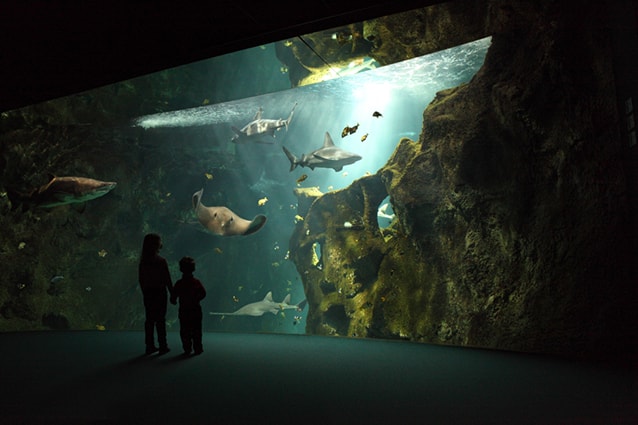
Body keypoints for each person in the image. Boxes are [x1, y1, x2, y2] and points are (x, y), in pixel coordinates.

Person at [138, 233, 173, 355]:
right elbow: (167, 279)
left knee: (149, 320)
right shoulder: (161, 261)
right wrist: (172, 293)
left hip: (148, 293)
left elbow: (141, 279)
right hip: (160, 293)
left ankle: (149, 345)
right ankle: (163, 345)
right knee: (160, 320)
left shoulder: (143, 261)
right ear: (157, 245)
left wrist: (144, 292)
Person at [170, 256, 206, 355]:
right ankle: (198, 348)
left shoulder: (179, 283)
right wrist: (196, 299)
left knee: (185, 330)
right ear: (194, 268)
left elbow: (174, 295)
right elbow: (203, 293)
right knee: (197, 330)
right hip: (195, 309)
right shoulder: (196, 282)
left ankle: (187, 348)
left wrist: (173, 300)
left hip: (184, 310)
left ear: (181, 269)